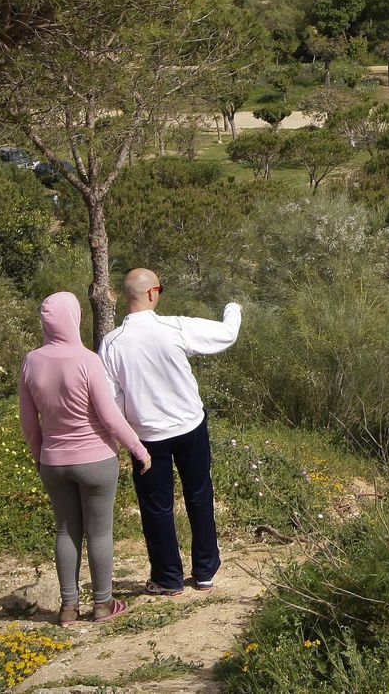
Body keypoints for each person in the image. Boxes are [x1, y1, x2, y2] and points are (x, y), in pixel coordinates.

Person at [99, 268, 241, 595]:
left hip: (146, 436)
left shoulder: (111, 344)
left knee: (156, 507)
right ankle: (205, 571)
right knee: (199, 494)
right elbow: (226, 334)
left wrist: (123, 440)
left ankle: (168, 578)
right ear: (152, 293)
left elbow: (112, 400)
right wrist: (233, 308)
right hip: (189, 425)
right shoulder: (174, 326)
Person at [19, 291, 152, 626]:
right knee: (99, 534)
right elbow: (109, 417)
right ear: (74, 318)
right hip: (95, 460)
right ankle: (103, 605)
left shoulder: (31, 361)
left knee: (65, 531)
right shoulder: (87, 360)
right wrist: (138, 448)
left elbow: (28, 423)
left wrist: (41, 459)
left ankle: (67, 608)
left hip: (54, 461)